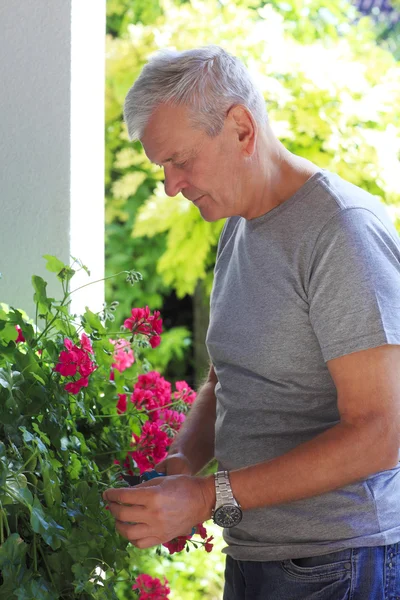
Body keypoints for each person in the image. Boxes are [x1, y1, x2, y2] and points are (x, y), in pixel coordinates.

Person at [104, 45, 400, 599]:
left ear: (241, 127)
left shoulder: (341, 230)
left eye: (180, 160)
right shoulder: (237, 229)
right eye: (162, 167)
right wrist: (182, 466)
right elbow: (226, 382)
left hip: (338, 565)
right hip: (258, 556)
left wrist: (207, 496)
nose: (170, 185)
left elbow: (381, 433)